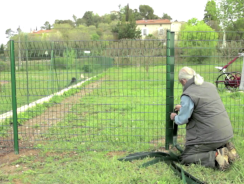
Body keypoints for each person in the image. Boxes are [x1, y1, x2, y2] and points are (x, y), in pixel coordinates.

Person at [170, 67, 239, 171]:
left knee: (186, 157)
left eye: (181, 82)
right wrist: (184, 108)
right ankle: (227, 148)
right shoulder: (209, 86)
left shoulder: (188, 93)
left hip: (209, 137)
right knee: (213, 141)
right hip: (225, 133)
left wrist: (175, 117)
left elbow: (182, 120)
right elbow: (203, 107)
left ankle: (216, 156)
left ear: (184, 81)